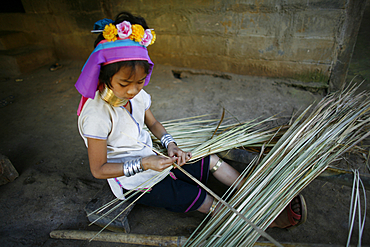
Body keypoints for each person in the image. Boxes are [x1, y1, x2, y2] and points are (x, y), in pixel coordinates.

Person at [75, 11, 307, 228]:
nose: (133, 90)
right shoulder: (96, 114)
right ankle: (261, 222)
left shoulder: (137, 95)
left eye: (140, 82)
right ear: (104, 76)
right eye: (124, 84)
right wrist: (144, 164)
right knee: (196, 197)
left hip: (155, 158)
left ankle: (258, 195)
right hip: (132, 182)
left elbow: (153, 123)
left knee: (211, 160)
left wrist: (171, 145)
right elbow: (99, 169)